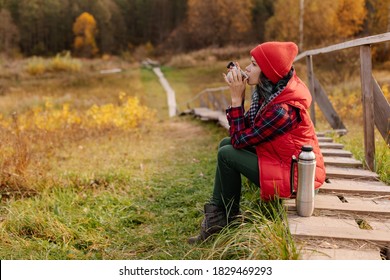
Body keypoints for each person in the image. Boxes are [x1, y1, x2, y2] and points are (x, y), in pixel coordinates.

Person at [188, 41, 326, 244]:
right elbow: (241, 135)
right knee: (225, 144)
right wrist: (241, 97)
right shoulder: (269, 93)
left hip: (298, 179)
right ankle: (223, 216)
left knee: (227, 154)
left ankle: (221, 221)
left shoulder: (281, 110)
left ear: (267, 71)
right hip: (284, 162)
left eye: (253, 64)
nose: (247, 68)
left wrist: (236, 100)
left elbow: (240, 139)